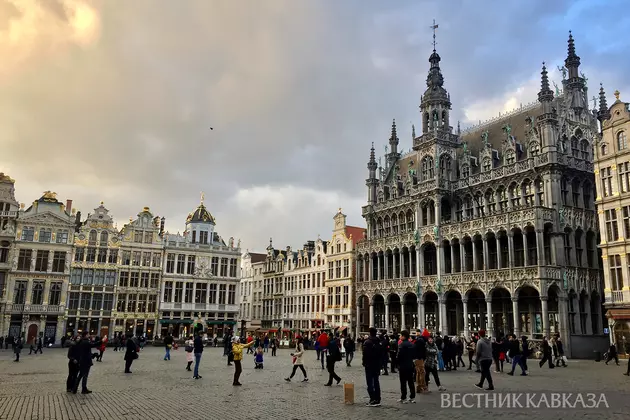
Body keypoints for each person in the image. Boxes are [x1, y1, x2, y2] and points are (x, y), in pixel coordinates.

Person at [363, 328, 383, 407]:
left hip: (369, 364)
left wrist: (364, 363)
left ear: (370, 333)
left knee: (370, 382)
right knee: (376, 381)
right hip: (377, 364)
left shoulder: (367, 342)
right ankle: (377, 398)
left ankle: (373, 399)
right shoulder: (379, 342)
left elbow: (365, 354)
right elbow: (381, 353)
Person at [397, 330, 416, 403]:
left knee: (403, 382)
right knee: (411, 381)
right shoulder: (412, 344)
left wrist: (398, 364)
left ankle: (403, 397)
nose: (400, 337)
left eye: (400, 335)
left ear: (403, 336)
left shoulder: (401, 345)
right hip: (410, 365)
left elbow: (399, 356)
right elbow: (414, 355)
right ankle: (412, 397)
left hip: (403, 365)